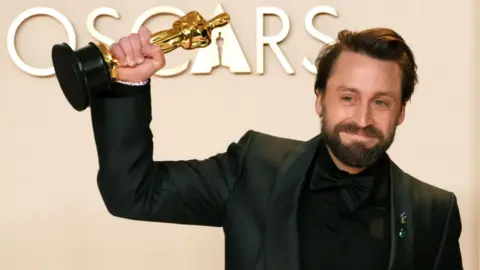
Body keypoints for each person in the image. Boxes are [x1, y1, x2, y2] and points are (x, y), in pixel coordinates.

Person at [88, 26, 463, 270]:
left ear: (400, 112)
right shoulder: (254, 167)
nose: (363, 118)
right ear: (320, 99)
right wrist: (128, 87)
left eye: (381, 102)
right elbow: (132, 194)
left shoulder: (434, 211)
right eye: (348, 97)